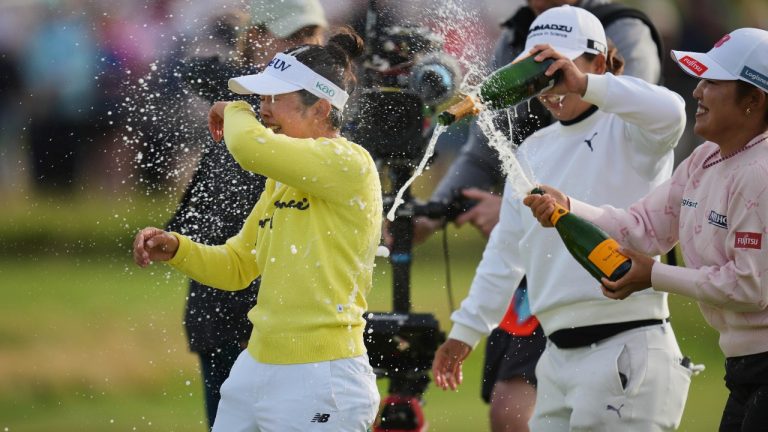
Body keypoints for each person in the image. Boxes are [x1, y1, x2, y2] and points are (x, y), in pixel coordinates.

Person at [431, 5, 691, 431]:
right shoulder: (534, 149)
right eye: (539, 70)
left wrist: (586, 84)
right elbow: (506, 251)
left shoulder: (631, 130)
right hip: (556, 357)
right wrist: (465, 330)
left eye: (560, 67)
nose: (550, 84)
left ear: (600, 62)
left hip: (626, 347)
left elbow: (672, 111)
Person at [133, 28, 382, 431]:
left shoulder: (349, 163)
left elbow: (248, 147)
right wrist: (178, 248)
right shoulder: (281, 179)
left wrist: (231, 109)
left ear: (319, 108)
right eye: (260, 99)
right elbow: (238, 265)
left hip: (322, 376)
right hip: (257, 366)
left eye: (273, 99)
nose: (261, 110)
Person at [525, 27, 768, 431]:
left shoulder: (760, 172)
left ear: (753, 102)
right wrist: (567, 208)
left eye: (712, 82)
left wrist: (653, 276)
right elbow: (641, 228)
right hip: (745, 367)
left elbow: (749, 287)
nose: (697, 92)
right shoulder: (705, 158)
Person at [164, 0, 327, 427]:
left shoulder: (321, 110)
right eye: (292, 37)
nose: (304, 49)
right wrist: (249, 84)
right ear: (255, 37)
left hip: (294, 319)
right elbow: (194, 68)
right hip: (221, 307)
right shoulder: (239, 92)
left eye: (312, 37)